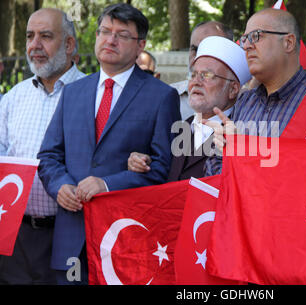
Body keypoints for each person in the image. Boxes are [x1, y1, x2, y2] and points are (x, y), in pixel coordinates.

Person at [37, 3, 180, 284]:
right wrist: (60, 186)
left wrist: (107, 184)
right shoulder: (74, 93)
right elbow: (49, 155)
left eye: (122, 35)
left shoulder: (161, 96)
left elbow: (163, 168)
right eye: (105, 31)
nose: (110, 40)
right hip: (71, 238)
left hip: (124, 241)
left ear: (140, 45)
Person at [204, 8, 306, 176]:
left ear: (288, 43)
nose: (247, 46)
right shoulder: (245, 102)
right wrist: (233, 155)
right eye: (244, 39)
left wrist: (244, 161)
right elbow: (215, 166)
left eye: (256, 36)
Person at [0, 8, 85, 284]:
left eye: (45, 36)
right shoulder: (14, 97)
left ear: (70, 45)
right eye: (29, 36)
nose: (34, 46)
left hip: (71, 235)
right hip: (16, 237)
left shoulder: (92, 94)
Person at [128, 35, 251, 181]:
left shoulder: (244, 135)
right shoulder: (182, 126)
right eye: (193, 74)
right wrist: (143, 163)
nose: (196, 82)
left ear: (233, 89)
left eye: (207, 75)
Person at [171, 21, 234, 120]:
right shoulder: (166, 96)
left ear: (233, 89)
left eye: (208, 51)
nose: (198, 58)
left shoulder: (246, 104)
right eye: (195, 49)